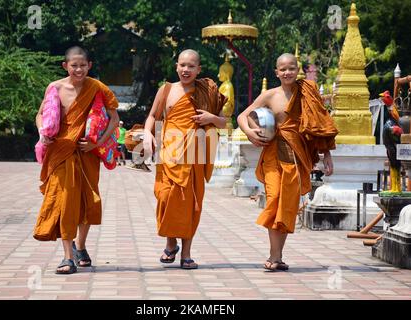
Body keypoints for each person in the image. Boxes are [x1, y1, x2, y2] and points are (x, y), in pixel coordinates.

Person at [237, 53, 338, 271]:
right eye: (282, 69)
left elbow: (321, 127)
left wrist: (327, 156)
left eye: (291, 68)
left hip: (295, 157)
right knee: (274, 200)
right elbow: (242, 116)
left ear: (297, 69)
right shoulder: (270, 95)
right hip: (273, 154)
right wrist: (250, 133)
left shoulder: (308, 94)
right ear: (276, 72)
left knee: (287, 205)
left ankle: (277, 257)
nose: (287, 72)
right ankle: (275, 256)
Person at [34, 46, 119, 274]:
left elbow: (114, 119)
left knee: (87, 202)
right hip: (61, 152)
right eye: (74, 65)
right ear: (65, 66)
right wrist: (43, 132)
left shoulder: (96, 87)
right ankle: (67, 257)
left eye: (83, 65)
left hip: (87, 153)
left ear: (89, 65)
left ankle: (80, 245)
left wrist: (98, 143)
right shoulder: (55, 87)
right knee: (65, 201)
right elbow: (40, 114)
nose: (79, 69)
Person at [143, 49, 227, 269]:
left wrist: (211, 118)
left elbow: (223, 123)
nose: (186, 69)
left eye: (191, 66)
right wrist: (147, 134)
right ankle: (171, 244)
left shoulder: (206, 92)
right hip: (168, 152)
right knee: (165, 197)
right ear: (176, 66)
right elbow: (152, 116)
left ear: (199, 69)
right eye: (182, 65)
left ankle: (186, 254)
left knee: (190, 204)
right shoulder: (167, 89)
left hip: (194, 155)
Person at [218, 54, 235, 130]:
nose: (218, 75)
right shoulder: (223, 85)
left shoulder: (228, 86)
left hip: (224, 115)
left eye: (220, 73)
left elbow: (227, 104)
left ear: (226, 73)